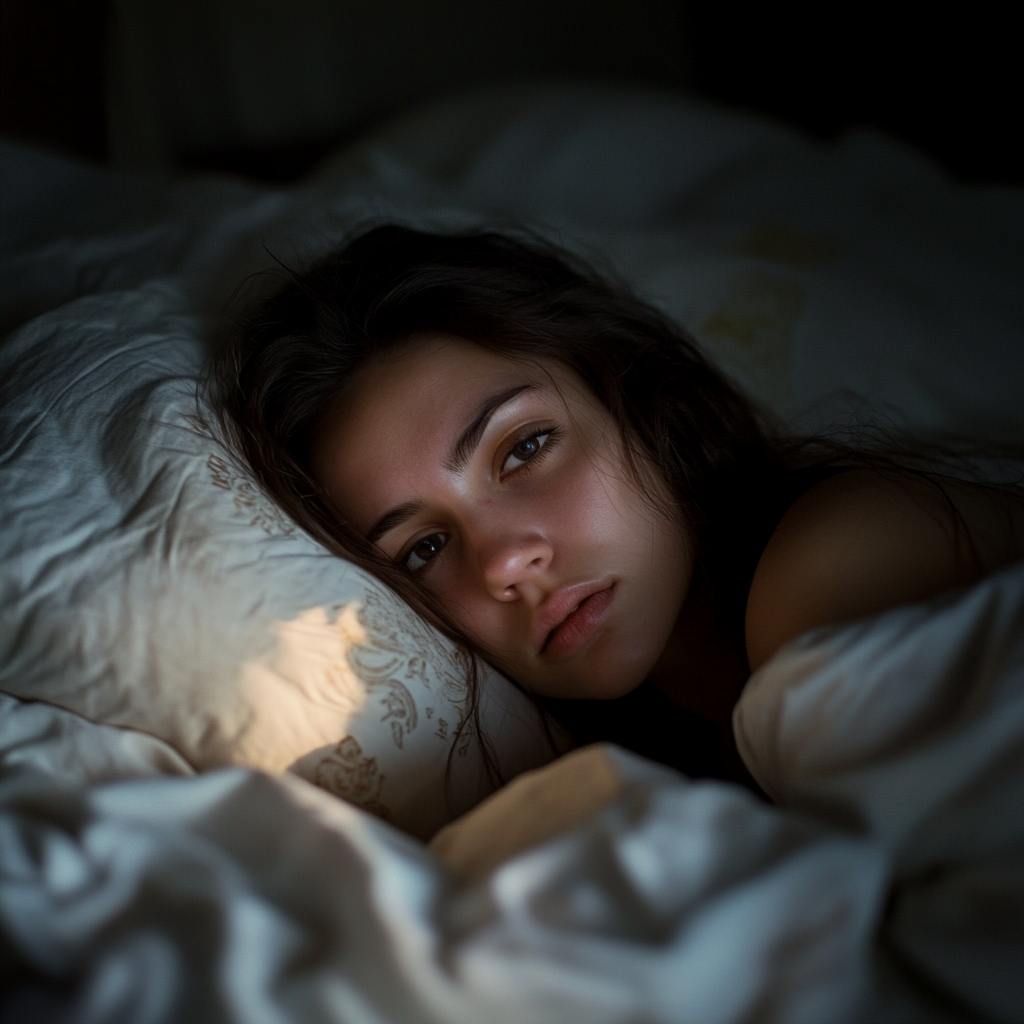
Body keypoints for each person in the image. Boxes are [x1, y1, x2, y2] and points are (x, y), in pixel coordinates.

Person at [214, 225, 1024, 787]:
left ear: (635, 395)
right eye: (424, 549)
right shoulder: (654, 760)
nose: (503, 564)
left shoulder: (830, 562)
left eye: (523, 449)